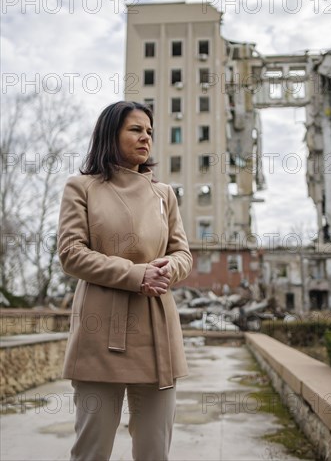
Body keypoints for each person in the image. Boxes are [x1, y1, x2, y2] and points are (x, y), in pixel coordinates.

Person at [57, 101, 193, 461]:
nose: (145, 137)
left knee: (154, 452)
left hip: (158, 332)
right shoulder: (81, 187)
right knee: (92, 451)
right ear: (110, 134)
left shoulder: (164, 194)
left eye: (149, 131)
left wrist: (168, 268)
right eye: (136, 129)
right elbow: (71, 252)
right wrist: (136, 274)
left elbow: (183, 253)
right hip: (100, 331)